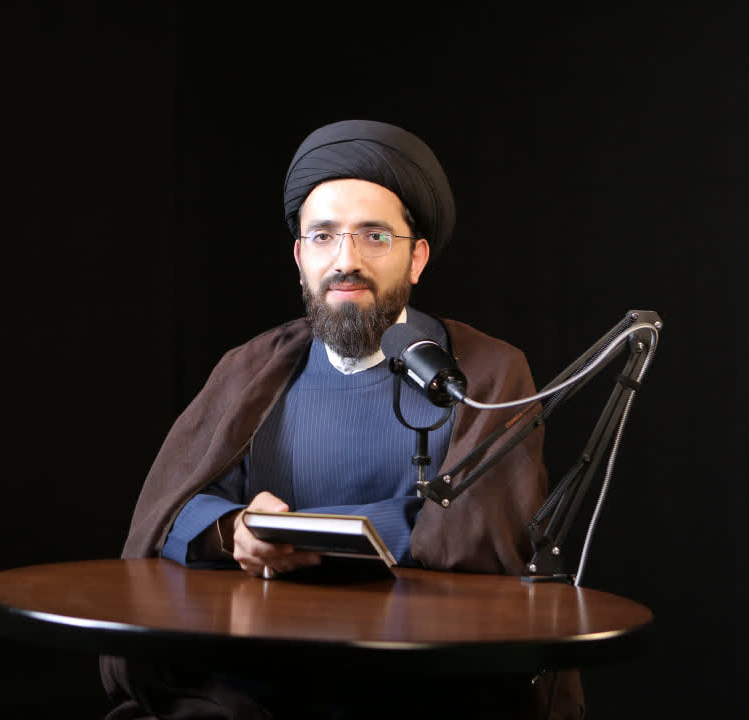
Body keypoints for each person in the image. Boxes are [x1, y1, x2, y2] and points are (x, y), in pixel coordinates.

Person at [101, 120, 584, 719]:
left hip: (420, 677)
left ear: (416, 257)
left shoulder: (485, 373)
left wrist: (302, 534)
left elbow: (483, 531)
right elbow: (173, 510)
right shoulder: (250, 368)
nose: (345, 261)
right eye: (324, 236)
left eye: (374, 236)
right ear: (300, 257)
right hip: (261, 671)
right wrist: (234, 529)